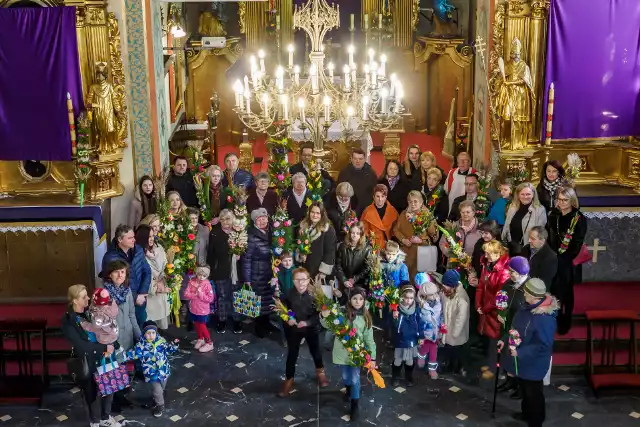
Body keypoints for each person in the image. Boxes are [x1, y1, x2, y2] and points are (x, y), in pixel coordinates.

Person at [498, 279, 558, 427]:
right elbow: (515, 328)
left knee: (534, 394)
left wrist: (521, 353)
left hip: (534, 364)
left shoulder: (545, 319)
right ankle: (526, 414)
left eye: (526, 293)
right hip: (523, 361)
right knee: (525, 390)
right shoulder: (526, 307)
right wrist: (505, 340)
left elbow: (543, 345)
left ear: (535, 297)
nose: (523, 294)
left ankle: (536, 421)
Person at [61, 285, 122, 427]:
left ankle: (105, 417)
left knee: (111, 387)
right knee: (91, 392)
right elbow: (81, 346)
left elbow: (105, 326)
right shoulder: (68, 320)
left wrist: (113, 343)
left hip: (105, 356)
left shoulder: (91, 311)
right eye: (84, 297)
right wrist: (104, 347)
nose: (88, 298)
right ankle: (94, 421)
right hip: (89, 359)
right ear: (75, 301)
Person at [321, 287, 375, 422]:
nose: (358, 301)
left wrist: (372, 357)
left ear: (364, 301)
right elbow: (328, 324)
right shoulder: (341, 313)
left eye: (361, 299)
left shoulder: (366, 317)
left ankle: (354, 405)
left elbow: (369, 339)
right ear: (350, 299)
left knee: (355, 378)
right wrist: (324, 315)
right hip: (342, 353)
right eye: (355, 298)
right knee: (346, 377)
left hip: (357, 354)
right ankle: (348, 389)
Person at [278, 267, 329, 397]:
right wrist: (288, 319)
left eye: (304, 280)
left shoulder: (316, 295)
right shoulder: (289, 295)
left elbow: (319, 314)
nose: (301, 283)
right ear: (293, 281)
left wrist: (307, 323)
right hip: (294, 329)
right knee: (292, 355)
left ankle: (320, 371)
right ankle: (289, 380)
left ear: (308, 280)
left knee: (315, 350)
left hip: (310, 328)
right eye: (297, 280)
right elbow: (284, 310)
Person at [547, 186, 587, 335]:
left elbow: (577, 241)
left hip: (568, 260)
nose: (562, 203)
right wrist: (552, 254)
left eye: (565, 200)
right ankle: (554, 317)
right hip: (553, 257)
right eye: (559, 199)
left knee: (566, 291)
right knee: (553, 289)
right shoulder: (553, 215)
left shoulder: (578, 218)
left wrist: (564, 257)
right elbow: (548, 235)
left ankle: (566, 319)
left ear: (572, 201)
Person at [124, 321, 179, 418]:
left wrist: (174, 345)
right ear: (144, 334)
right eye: (148, 333)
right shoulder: (141, 346)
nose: (151, 335)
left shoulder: (161, 341)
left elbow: (168, 350)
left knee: (162, 387)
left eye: (153, 333)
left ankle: (159, 396)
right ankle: (160, 405)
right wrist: (121, 356)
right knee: (157, 390)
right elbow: (133, 354)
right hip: (151, 373)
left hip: (163, 370)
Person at [102, 224, 151, 327]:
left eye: (133, 237)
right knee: (125, 328)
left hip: (140, 298)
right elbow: (110, 283)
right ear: (120, 239)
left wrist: (142, 292)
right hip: (122, 302)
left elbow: (147, 271)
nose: (134, 240)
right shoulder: (110, 257)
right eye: (130, 238)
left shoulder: (138, 249)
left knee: (141, 323)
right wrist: (134, 297)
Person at [475, 240, 510, 380]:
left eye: (489, 253)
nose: (486, 256)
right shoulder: (487, 265)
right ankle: (491, 365)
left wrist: (484, 308)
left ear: (498, 253)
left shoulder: (504, 271)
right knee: (490, 340)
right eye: (485, 253)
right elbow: (481, 286)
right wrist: (478, 304)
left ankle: (498, 371)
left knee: (497, 341)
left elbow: (499, 296)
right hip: (486, 309)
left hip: (495, 311)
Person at [496, 256, 529, 399]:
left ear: (521, 273)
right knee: (507, 354)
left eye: (513, 272)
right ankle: (510, 380)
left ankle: (521, 385)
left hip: (521, 329)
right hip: (507, 325)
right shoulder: (508, 283)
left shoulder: (529, 288)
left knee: (518, 356)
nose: (510, 274)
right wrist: (500, 313)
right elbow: (502, 299)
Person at [207, 209, 242, 334]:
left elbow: (245, 251)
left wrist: (240, 255)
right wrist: (210, 271)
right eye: (222, 219)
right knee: (222, 297)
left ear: (233, 219)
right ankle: (222, 320)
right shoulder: (215, 234)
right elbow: (210, 254)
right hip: (220, 270)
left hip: (236, 272)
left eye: (228, 219)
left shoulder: (239, 232)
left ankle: (237, 320)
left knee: (236, 296)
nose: (226, 222)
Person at [243, 208, 276, 338]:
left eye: (264, 218)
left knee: (268, 300)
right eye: (259, 219)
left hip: (270, 273)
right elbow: (246, 259)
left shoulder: (272, 232)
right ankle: (259, 327)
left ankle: (267, 322)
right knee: (258, 302)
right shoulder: (251, 236)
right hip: (257, 274)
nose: (263, 221)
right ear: (254, 221)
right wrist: (247, 278)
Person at [394, 190, 439, 281]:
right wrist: (403, 239)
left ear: (421, 202)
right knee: (405, 278)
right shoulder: (404, 214)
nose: (413, 204)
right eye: (410, 202)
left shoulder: (427, 215)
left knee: (422, 280)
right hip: (407, 251)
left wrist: (421, 240)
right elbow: (396, 230)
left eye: (415, 201)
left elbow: (434, 236)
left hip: (423, 251)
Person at [135, 225, 170, 330]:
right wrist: (156, 287)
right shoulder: (138, 253)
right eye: (148, 236)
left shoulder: (159, 248)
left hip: (161, 285)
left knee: (161, 321)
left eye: (152, 236)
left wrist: (164, 280)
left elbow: (165, 267)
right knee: (150, 323)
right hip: (149, 291)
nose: (151, 239)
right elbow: (141, 275)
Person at [102, 259, 142, 352]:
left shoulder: (127, 291)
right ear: (109, 274)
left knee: (128, 363)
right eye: (116, 272)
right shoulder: (103, 293)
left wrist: (139, 336)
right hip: (112, 339)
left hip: (128, 336)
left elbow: (132, 315)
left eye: (122, 272)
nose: (120, 275)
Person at [392, 284, 426, 387]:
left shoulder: (416, 310)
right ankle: (395, 377)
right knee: (398, 360)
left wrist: (421, 336)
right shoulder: (396, 309)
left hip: (412, 339)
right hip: (401, 339)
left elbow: (420, 324)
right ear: (402, 297)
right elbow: (392, 326)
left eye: (411, 298)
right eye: (406, 297)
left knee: (409, 360)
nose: (408, 300)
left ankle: (408, 377)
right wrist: (395, 318)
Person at [440, 201, 482, 282]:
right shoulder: (453, 226)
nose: (465, 214)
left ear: (473, 212)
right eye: (463, 212)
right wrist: (450, 253)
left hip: (471, 268)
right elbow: (442, 243)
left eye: (468, 212)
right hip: (453, 265)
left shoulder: (480, 229)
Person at [439, 270, 470, 376]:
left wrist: (455, 333)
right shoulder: (446, 292)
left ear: (452, 286)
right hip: (448, 329)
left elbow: (461, 318)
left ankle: (457, 367)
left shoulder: (461, 298)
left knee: (457, 351)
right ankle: (450, 365)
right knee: (450, 350)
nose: (443, 288)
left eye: (445, 286)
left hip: (456, 331)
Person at [502, 182, 547, 256]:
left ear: (533, 195)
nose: (525, 197)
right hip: (511, 246)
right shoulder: (512, 207)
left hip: (528, 249)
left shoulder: (540, 210)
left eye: (528, 194)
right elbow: (506, 225)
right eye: (522, 194)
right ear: (518, 195)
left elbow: (539, 233)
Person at [296, 201, 337, 279]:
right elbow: (299, 245)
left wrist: (323, 272)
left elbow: (330, 252)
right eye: (312, 212)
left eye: (318, 213)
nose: (315, 215)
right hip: (305, 268)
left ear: (322, 214)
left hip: (318, 271)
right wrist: (301, 255)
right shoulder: (303, 227)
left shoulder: (328, 230)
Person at [183, 265, 215, 352]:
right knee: (196, 324)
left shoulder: (207, 284)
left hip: (202, 310)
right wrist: (195, 295)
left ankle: (209, 343)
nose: (201, 277)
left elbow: (210, 299)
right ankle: (200, 339)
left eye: (204, 275)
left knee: (202, 325)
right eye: (200, 275)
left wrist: (200, 294)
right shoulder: (192, 281)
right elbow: (186, 294)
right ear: (196, 273)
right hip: (193, 308)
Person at [415, 274, 442, 379]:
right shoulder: (421, 306)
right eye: (432, 294)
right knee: (426, 348)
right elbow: (419, 322)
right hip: (425, 334)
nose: (435, 296)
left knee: (434, 351)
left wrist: (442, 326)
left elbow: (441, 315)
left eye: (435, 293)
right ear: (425, 296)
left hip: (435, 333)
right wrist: (421, 336)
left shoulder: (438, 302)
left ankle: (432, 369)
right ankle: (421, 356)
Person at [337, 148, 378, 216]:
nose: (358, 161)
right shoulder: (344, 172)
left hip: (366, 209)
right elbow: (338, 191)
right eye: (355, 158)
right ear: (351, 159)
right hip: (348, 208)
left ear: (365, 159)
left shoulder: (371, 173)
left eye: (360, 159)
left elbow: (374, 191)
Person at [335, 222, 371, 296]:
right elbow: (338, 265)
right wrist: (344, 280)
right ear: (349, 233)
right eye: (352, 233)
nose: (354, 235)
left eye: (357, 233)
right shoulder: (343, 246)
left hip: (359, 284)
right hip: (344, 282)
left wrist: (354, 279)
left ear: (361, 234)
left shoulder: (367, 249)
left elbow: (367, 268)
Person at [360, 184, 399, 250]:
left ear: (386, 197)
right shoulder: (367, 211)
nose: (380, 199)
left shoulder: (393, 211)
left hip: (389, 248)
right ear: (373, 197)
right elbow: (363, 230)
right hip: (373, 246)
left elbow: (396, 229)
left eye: (382, 196)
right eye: (377, 196)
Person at [522, 226, 558, 291]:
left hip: (537, 292)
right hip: (522, 285)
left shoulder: (550, 257)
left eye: (533, 239)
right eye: (529, 237)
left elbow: (542, 282)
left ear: (542, 241)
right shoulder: (525, 249)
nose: (529, 241)